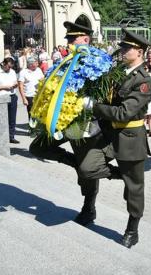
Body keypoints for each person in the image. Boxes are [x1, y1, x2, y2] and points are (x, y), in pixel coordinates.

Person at [30, 21, 119, 227]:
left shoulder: (100, 61)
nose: (69, 42)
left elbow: (107, 93)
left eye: (73, 39)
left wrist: (88, 103)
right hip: (62, 122)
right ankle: (75, 163)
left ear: (86, 40)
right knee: (37, 148)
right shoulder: (65, 61)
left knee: (88, 171)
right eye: (68, 39)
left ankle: (89, 208)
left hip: (87, 125)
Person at [92, 28, 151, 248]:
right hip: (108, 134)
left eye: (127, 47)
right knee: (87, 167)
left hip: (130, 138)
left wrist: (95, 108)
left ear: (139, 52)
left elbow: (123, 113)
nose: (123, 50)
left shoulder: (144, 81)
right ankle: (120, 176)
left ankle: (132, 228)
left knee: (134, 188)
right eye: (123, 46)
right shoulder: (119, 71)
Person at [0, 57, 19, 143]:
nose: (10, 69)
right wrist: (4, 87)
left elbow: (15, 82)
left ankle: (11, 136)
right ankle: (0, 137)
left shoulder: (12, 72)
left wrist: (15, 85)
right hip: (0, 98)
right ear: (4, 64)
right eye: (8, 67)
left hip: (12, 96)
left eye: (11, 67)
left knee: (12, 118)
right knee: (0, 118)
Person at [17, 55, 44, 120]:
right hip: (29, 96)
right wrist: (24, 99)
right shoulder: (23, 72)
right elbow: (20, 86)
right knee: (32, 114)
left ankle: (39, 128)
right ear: (30, 64)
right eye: (36, 63)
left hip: (39, 95)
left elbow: (43, 79)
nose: (37, 64)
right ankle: (32, 128)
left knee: (40, 113)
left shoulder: (38, 70)